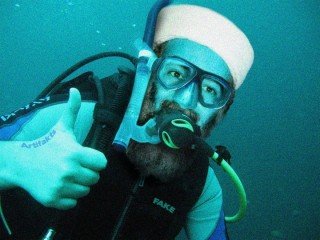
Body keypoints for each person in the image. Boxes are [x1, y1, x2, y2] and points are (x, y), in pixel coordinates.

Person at [0, 3, 254, 240]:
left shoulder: (202, 187)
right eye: (175, 73)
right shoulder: (81, 117)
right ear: (147, 74)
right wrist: (17, 162)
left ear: (221, 112)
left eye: (211, 90)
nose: (186, 99)